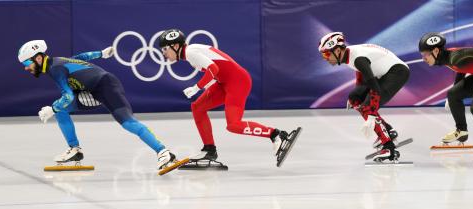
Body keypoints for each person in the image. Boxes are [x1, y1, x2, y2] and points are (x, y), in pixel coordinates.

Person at [17, 40, 180, 171]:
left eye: (26, 62)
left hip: (106, 86)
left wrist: (52, 109)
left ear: (38, 58)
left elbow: (67, 95)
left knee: (128, 122)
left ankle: (164, 152)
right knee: (61, 110)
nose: (25, 68)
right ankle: (74, 150)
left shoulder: (55, 69)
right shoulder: (56, 63)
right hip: (91, 92)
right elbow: (81, 57)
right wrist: (101, 53)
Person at [157, 29, 301, 168]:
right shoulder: (191, 52)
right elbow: (218, 69)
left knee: (234, 125)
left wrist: (196, 87)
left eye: (164, 49)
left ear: (175, 46)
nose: (164, 54)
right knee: (197, 107)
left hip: (237, 82)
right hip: (224, 82)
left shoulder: (190, 52)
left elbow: (214, 69)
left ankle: (277, 135)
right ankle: (209, 149)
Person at [318, 32, 410, 162]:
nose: (325, 58)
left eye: (327, 54)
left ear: (338, 50)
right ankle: (388, 131)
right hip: (384, 74)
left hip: (397, 73)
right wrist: (356, 97)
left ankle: (389, 148)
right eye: (323, 55)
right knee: (355, 98)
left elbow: (374, 87)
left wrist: (371, 112)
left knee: (368, 107)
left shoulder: (358, 59)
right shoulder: (350, 55)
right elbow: (361, 79)